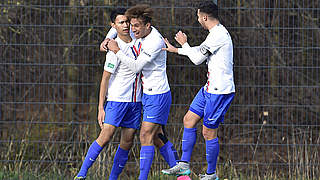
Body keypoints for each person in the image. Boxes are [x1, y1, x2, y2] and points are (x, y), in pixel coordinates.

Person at [161, 1, 235, 180]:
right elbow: (200, 52)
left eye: (198, 17)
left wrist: (184, 44)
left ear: (204, 17)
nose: (198, 20)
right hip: (209, 88)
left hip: (219, 92)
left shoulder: (218, 35)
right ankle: (184, 166)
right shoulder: (214, 34)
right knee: (189, 119)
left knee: (208, 132)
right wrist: (177, 50)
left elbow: (197, 59)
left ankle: (211, 174)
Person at [106, 4, 177, 180]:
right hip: (147, 94)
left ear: (147, 25)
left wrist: (116, 50)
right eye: (131, 25)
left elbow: (136, 66)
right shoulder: (140, 32)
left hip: (158, 94)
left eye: (136, 26)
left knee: (146, 135)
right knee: (157, 137)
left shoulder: (154, 41)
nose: (132, 29)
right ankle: (182, 174)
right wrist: (106, 40)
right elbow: (117, 29)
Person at [74, 8, 143, 180]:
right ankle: (81, 174)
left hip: (136, 102)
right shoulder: (113, 50)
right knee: (105, 137)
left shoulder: (139, 40)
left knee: (127, 142)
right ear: (113, 25)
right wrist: (100, 108)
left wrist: (108, 36)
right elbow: (104, 79)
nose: (126, 25)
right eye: (121, 23)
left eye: (127, 21)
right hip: (116, 101)